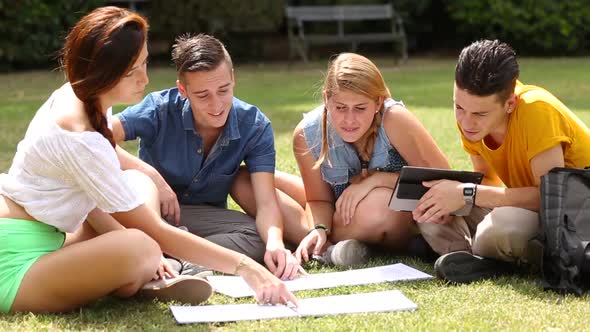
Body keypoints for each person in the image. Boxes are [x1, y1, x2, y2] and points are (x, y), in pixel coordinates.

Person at [0, 6, 296, 314]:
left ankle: (143, 272)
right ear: (104, 72)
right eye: (131, 72)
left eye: (144, 63)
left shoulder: (80, 96)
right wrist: (246, 267)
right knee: (141, 246)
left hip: (50, 234)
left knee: (138, 191)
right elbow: (152, 230)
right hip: (15, 259)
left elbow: (93, 185)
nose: (144, 78)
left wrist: (151, 175)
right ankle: (144, 272)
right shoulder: (81, 136)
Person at [112, 33, 308, 281]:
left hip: (200, 216)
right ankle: (171, 255)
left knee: (258, 237)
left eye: (223, 90)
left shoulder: (254, 125)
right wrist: (153, 177)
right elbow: (95, 137)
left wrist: (275, 243)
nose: (216, 105)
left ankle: (176, 260)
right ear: (183, 90)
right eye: (203, 95)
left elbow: (267, 203)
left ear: (233, 79)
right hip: (149, 212)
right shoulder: (158, 108)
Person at [413, 39, 590, 283]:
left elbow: (550, 199)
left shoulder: (537, 110)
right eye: (458, 107)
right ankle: (470, 257)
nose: (465, 122)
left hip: (574, 217)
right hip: (533, 211)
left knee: (500, 228)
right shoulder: (472, 119)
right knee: (431, 210)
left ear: (510, 104)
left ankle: (482, 258)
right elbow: (488, 181)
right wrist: (452, 201)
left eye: (479, 114)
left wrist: (466, 193)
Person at [292, 53, 450, 267]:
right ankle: (326, 243)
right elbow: (319, 200)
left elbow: (445, 180)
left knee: (379, 205)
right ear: (326, 99)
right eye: (340, 107)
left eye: (360, 108)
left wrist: (375, 180)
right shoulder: (306, 133)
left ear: (378, 102)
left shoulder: (395, 119)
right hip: (338, 214)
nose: (349, 120)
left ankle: (329, 247)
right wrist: (319, 227)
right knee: (252, 182)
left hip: (391, 216)